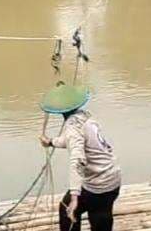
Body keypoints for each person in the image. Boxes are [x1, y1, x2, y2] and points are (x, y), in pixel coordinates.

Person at [39, 84, 121, 231]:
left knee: (67, 210)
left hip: (96, 184)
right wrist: (51, 142)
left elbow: (77, 160)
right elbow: (73, 141)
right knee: (101, 215)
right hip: (113, 178)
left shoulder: (72, 128)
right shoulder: (86, 117)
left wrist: (75, 196)